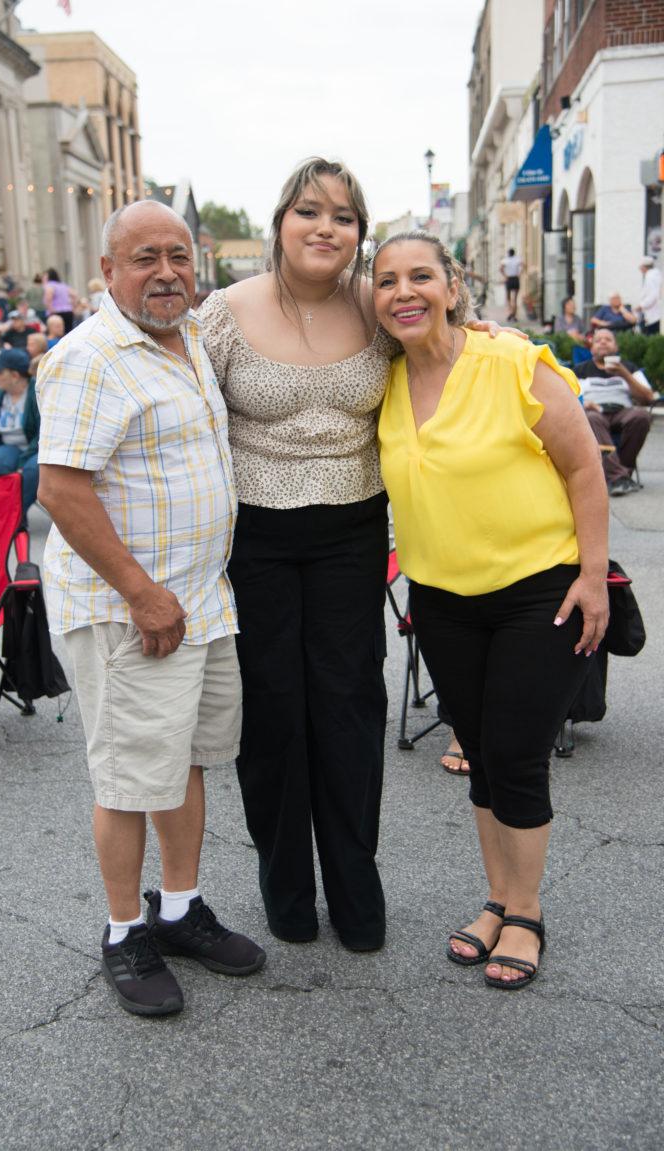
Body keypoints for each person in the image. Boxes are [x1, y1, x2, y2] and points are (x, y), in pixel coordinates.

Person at [199, 157, 506, 951]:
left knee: (348, 705)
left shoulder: (376, 311)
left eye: (343, 216)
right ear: (279, 223)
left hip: (351, 531)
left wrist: (484, 335)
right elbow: (183, 415)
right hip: (254, 537)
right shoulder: (223, 314)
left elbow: (442, 341)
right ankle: (285, 885)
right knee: (271, 710)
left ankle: (354, 881)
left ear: (358, 237)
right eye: (309, 211)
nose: (324, 227)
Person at [36, 199, 265, 1018]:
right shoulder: (91, 356)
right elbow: (61, 489)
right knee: (131, 776)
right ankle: (124, 929)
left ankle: (179, 908)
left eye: (178, 255)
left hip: (199, 601)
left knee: (186, 760)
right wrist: (141, 591)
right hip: (132, 609)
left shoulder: (190, 337)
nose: (166, 272)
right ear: (107, 272)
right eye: (144, 258)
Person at [374, 230, 609, 989]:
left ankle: (528, 912)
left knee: (515, 753)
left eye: (419, 276)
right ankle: (498, 898)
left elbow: (583, 468)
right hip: (441, 597)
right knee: (476, 749)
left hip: (538, 591)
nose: (403, 292)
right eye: (386, 281)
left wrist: (595, 577)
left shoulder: (510, 360)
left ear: (451, 285)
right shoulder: (381, 380)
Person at [573, 328, 655, 496]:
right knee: (592, 419)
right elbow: (570, 398)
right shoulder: (580, 370)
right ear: (591, 348)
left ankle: (617, 476)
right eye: (598, 340)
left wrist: (624, 373)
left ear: (616, 347)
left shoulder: (629, 368)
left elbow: (648, 398)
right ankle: (619, 477)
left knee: (641, 416)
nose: (603, 342)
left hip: (622, 412)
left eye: (608, 339)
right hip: (594, 411)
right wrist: (585, 404)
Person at [0, 349, 40, 522]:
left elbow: (42, 433)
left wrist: (23, 461)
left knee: (32, 470)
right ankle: (6, 513)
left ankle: (15, 515)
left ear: (15, 375)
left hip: (35, 447)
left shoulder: (36, 393)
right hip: (8, 445)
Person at [42, 268, 77, 333]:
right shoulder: (63, 285)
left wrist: (51, 309)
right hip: (68, 312)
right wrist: (73, 307)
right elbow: (74, 295)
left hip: (56, 313)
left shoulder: (49, 285)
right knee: (68, 333)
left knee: (55, 334)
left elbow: (48, 298)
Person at [637, 256, 661, 336]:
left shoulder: (650, 277)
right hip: (655, 313)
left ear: (644, 267)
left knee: (649, 335)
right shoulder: (656, 275)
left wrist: (641, 305)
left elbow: (653, 295)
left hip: (652, 314)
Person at [499, 249, 522, 321]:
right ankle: (514, 315)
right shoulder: (517, 259)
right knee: (515, 299)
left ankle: (510, 313)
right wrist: (519, 274)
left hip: (509, 279)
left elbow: (501, 268)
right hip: (515, 278)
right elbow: (523, 265)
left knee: (508, 298)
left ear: (508, 253)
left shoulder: (505, 260)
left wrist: (505, 275)